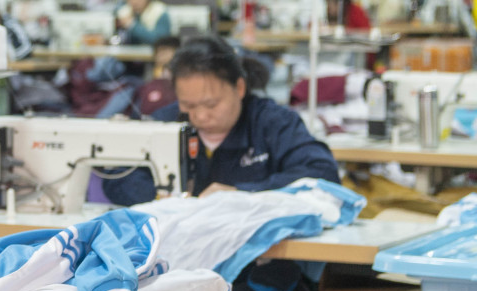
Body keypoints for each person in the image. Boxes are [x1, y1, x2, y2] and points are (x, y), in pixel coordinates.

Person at [102, 36, 339, 205]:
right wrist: (164, 196)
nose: (200, 116)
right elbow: (118, 179)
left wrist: (240, 194)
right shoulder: (166, 123)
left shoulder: (273, 123)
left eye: (211, 104)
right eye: (189, 105)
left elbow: (323, 173)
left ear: (239, 87)